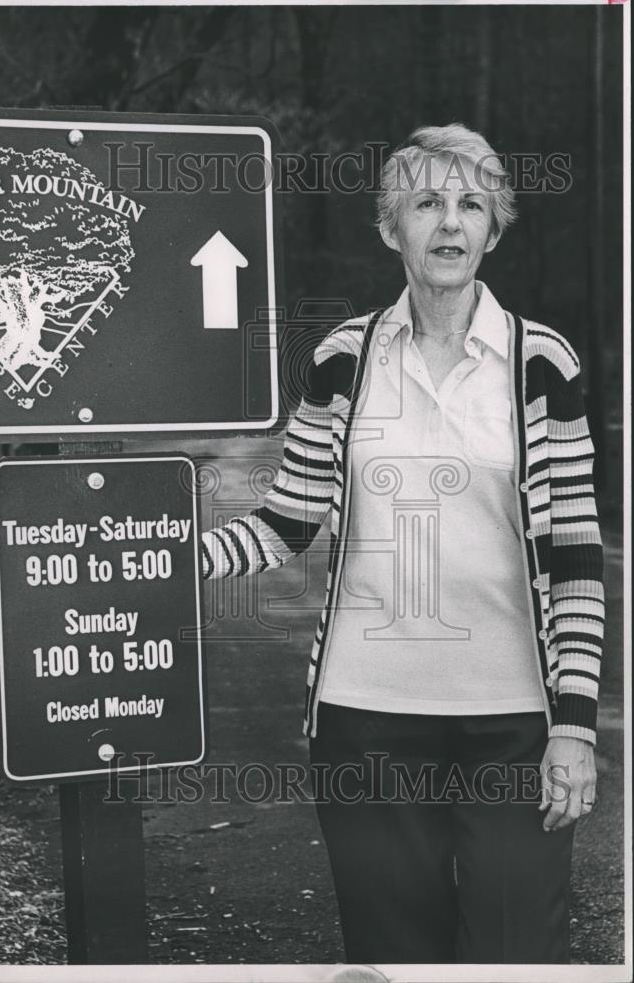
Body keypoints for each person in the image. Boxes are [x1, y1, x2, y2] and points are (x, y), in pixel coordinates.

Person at [201, 124, 604, 964]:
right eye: (426, 203)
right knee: (392, 960)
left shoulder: (543, 362)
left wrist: (573, 727)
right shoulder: (344, 357)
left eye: (470, 204)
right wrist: (166, 554)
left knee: (517, 954)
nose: (449, 223)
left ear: (493, 227)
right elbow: (285, 522)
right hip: (365, 718)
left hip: (513, 722)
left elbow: (573, 556)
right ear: (392, 229)